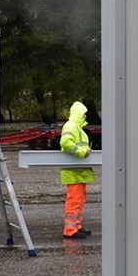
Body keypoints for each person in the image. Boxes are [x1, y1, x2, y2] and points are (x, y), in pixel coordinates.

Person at [59, 101, 94, 239]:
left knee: (79, 200)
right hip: (74, 172)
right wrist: (82, 152)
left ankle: (76, 226)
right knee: (74, 200)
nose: (85, 117)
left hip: (79, 172)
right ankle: (69, 230)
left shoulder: (77, 128)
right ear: (79, 114)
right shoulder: (71, 126)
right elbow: (65, 142)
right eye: (84, 114)